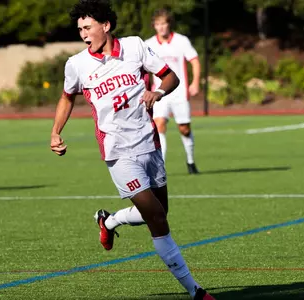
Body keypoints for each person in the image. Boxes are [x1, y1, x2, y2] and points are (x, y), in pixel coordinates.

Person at [50, 1, 214, 299]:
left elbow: (171, 77)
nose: (83, 35)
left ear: (106, 26)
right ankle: (196, 291)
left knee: (160, 212)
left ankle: (109, 220)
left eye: (88, 28)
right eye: (79, 30)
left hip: (149, 144)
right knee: (158, 220)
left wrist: (158, 92)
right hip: (118, 153)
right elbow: (66, 97)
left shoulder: (135, 47)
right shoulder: (77, 64)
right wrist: (55, 132)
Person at [145, 8, 201, 174]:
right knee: (159, 125)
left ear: (169, 24)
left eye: (164, 23)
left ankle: (190, 161)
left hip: (180, 92)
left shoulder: (181, 41)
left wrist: (195, 82)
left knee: (184, 128)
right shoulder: (149, 44)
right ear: (154, 26)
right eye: (158, 24)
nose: (161, 27)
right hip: (160, 93)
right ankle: (160, 166)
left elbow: (194, 61)